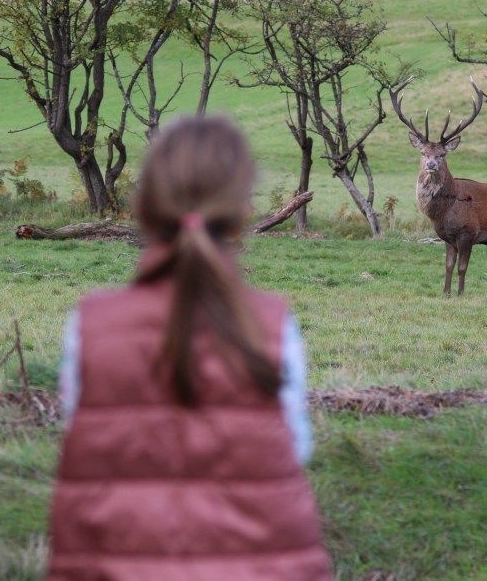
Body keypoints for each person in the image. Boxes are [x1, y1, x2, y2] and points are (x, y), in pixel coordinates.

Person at [46, 116, 333, 580]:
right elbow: (294, 447)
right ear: (241, 213)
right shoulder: (274, 326)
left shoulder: (91, 325)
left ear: (144, 209)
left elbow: (81, 437)